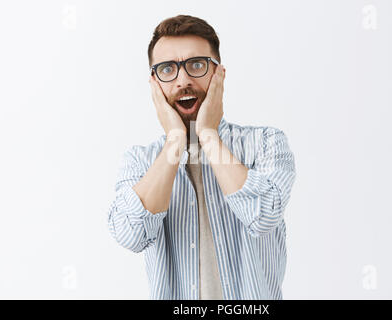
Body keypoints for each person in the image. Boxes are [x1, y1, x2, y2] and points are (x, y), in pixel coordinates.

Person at [107, 14, 296, 300]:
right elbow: (130, 235)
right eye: (167, 69)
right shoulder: (140, 160)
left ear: (218, 73)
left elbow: (263, 216)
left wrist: (207, 133)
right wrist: (174, 143)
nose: (183, 80)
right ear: (154, 84)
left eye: (197, 65)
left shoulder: (266, 142)